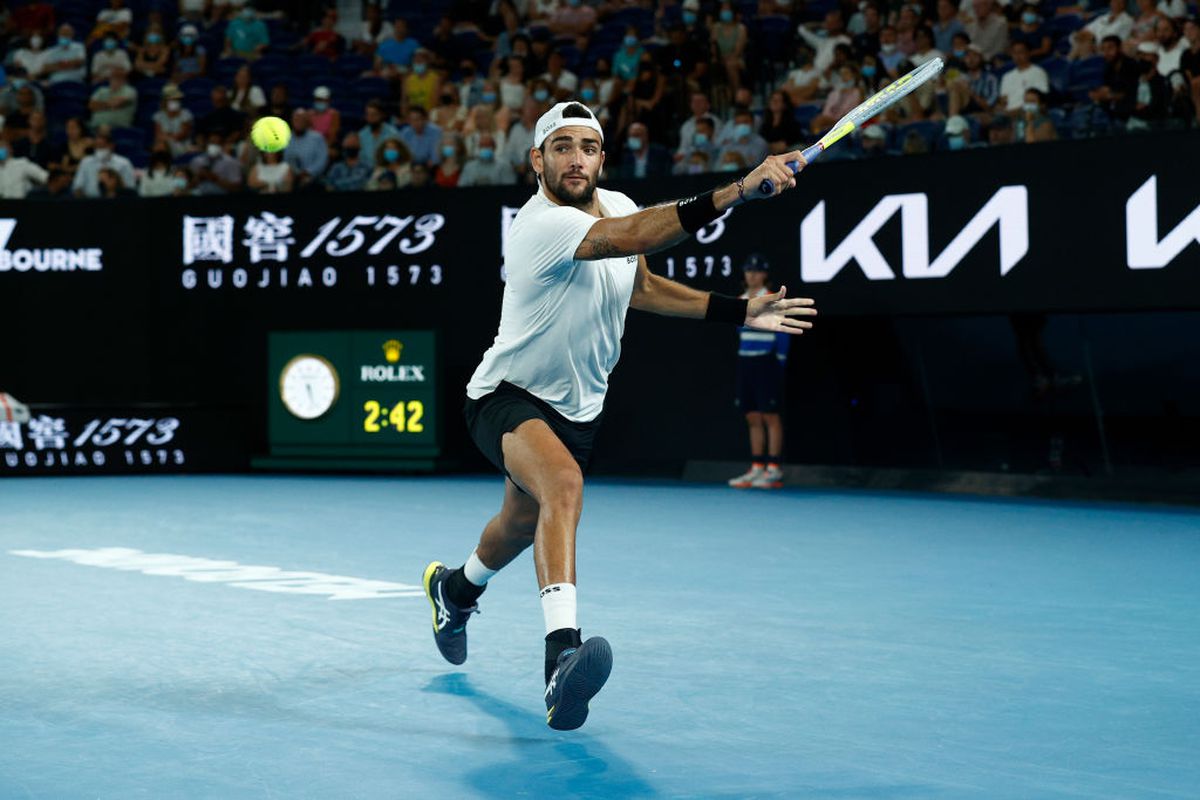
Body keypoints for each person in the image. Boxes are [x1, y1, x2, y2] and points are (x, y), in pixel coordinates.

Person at [422, 101, 815, 731]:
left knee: (519, 525)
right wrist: (740, 189)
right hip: (506, 394)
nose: (575, 158)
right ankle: (560, 658)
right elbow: (634, 238)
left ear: (602, 159)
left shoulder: (620, 202)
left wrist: (739, 312)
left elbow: (644, 287)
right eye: (561, 147)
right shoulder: (539, 225)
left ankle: (456, 589)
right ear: (537, 160)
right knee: (564, 487)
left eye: (587, 147)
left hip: (579, 408)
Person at [727, 254, 789, 490]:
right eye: (748, 270)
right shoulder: (741, 300)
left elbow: (783, 333)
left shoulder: (772, 300)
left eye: (756, 270)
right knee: (752, 416)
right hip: (746, 363)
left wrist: (778, 363)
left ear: (764, 275)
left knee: (770, 415)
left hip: (768, 363)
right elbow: (739, 331)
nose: (751, 274)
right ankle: (756, 468)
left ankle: (773, 469)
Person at [72, 131, 135, 197]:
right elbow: (77, 186)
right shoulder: (86, 162)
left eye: (102, 146)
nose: (98, 149)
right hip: (90, 202)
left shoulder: (124, 163)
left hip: (117, 201)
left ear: (111, 146)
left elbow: (130, 187)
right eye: (96, 147)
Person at [997, 41, 1049, 112]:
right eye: (1014, 53)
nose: (1017, 56)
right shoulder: (1007, 76)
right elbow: (1003, 100)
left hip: (1028, 113)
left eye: (1020, 52)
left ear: (1029, 53)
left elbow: (1041, 102)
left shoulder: (1038, 72)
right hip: (1008, 114)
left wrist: (1015, 112)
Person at [283, 108, 328, 187]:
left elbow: (322, 160)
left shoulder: (317, 138)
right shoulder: (286, 138)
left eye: (302, 120)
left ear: (307, 122)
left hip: (313, 177)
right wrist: (294, 173)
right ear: (292, 121)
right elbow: (285, 160)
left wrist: (308, 172)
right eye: (296, 119)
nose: (299, 122)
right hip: (291, 177)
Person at [358, 99, 402, 168]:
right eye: (368, 115)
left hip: (386, 169)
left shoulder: (392, 133)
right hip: (366, 170)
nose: (370, 118)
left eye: (374, 115)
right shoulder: (362, 134)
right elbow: (361, 158)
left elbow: (395, 157)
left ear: (382, 115)